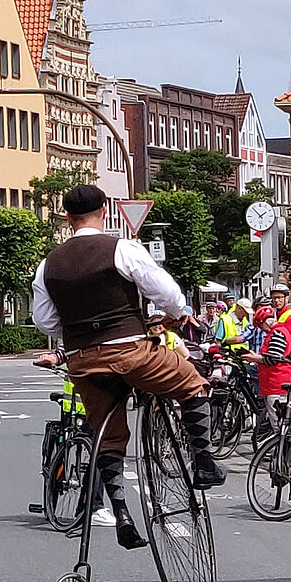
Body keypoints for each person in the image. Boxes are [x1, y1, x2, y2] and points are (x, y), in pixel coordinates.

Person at [31, 185, 225, 552]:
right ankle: (203, 462)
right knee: (192, 384)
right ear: (104, 211)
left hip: (84, 362)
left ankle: (120, 511)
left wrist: (79, 328)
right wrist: (176, 313)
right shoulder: (122, 248)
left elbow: (46, 323)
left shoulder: (47, 265)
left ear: (68, 218)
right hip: (130, 352)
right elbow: (167, 294)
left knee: (109, 436)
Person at [243, 305, 291, 432]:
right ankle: (282, 450)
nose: (262, 330)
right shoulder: (278, 331)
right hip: (276, 383)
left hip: (278, 384)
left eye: (261, 327)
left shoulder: (277, 334)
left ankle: (284, 450)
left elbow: (273, 359)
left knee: (279, 424)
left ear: (265, 323)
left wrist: (254, 358)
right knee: (280, 424)